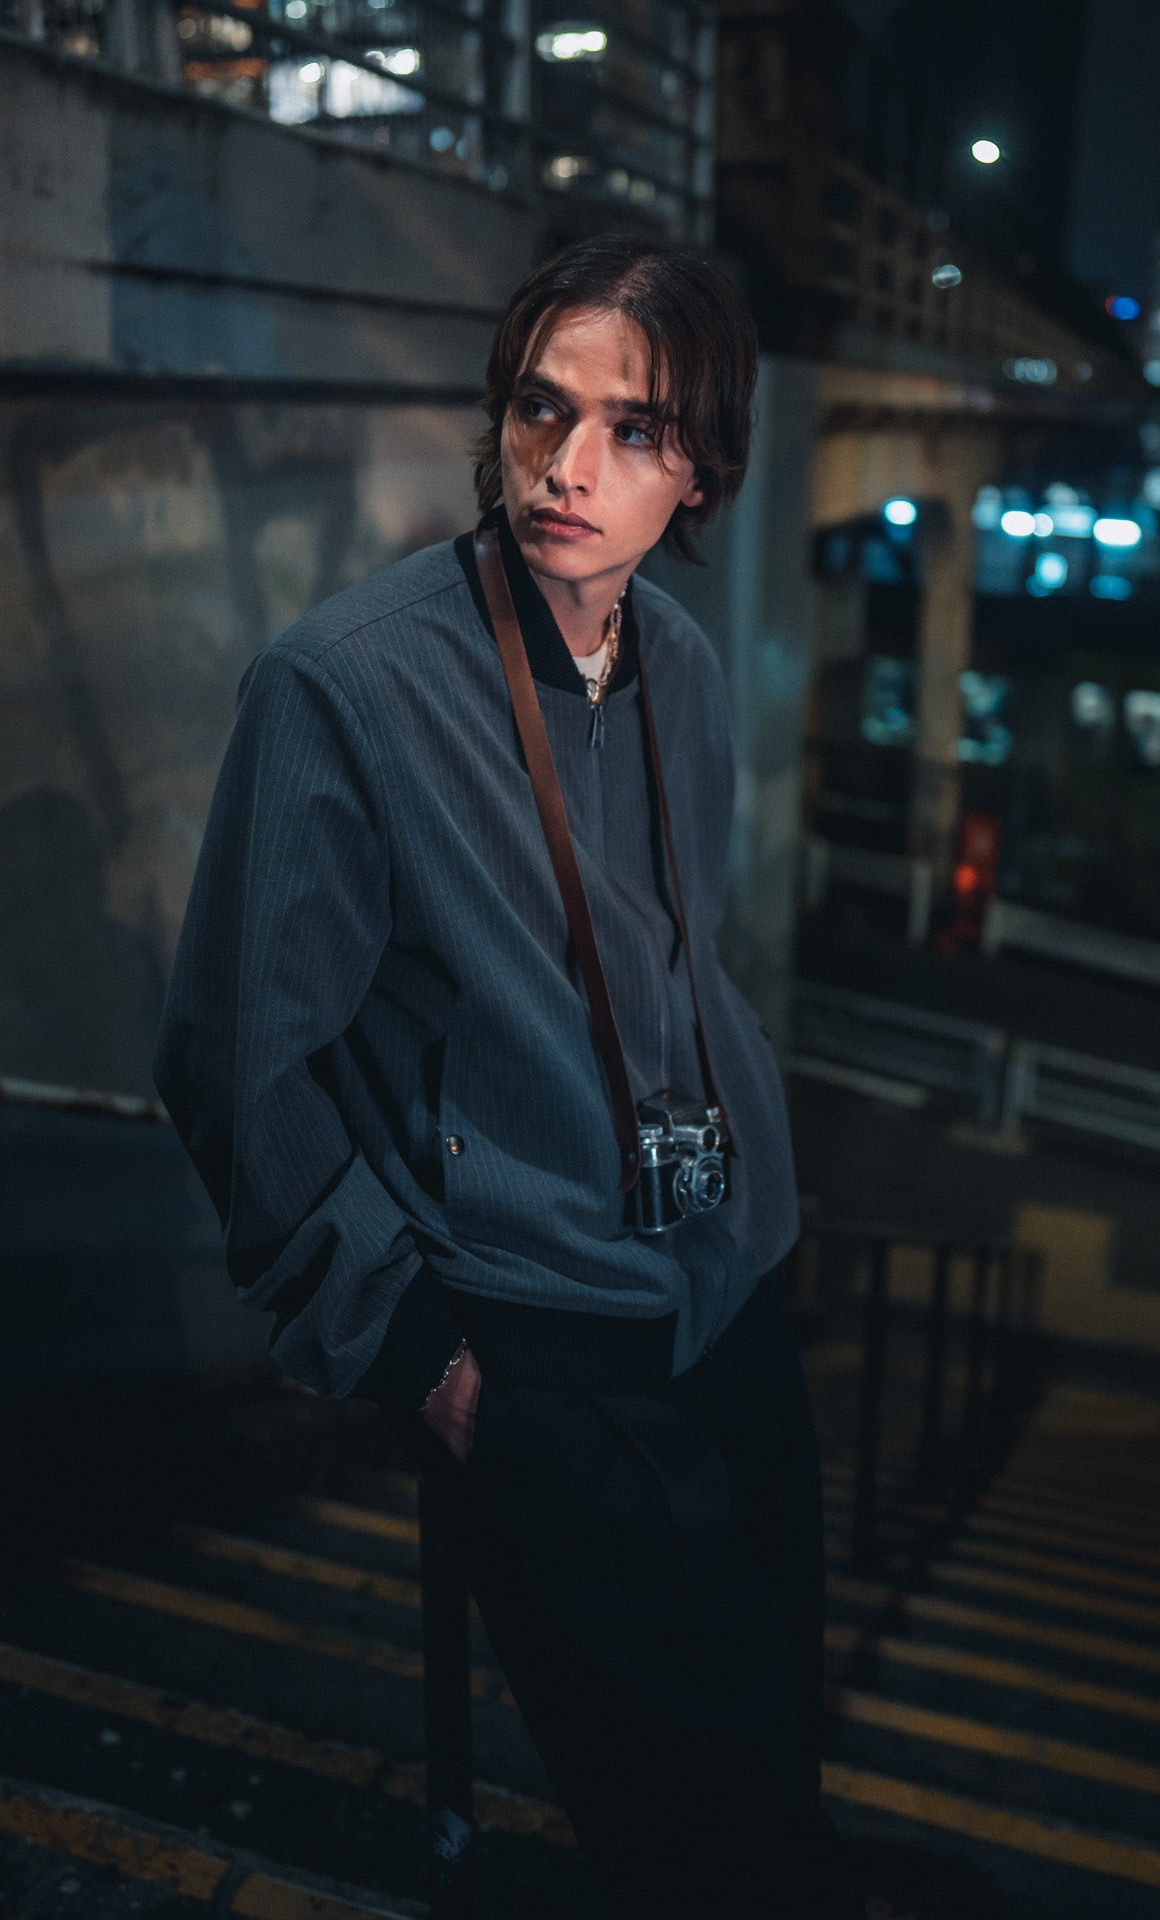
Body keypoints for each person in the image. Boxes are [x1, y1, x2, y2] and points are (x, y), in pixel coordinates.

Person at [154, 235, 863, 1920]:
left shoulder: (681, 663)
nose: (568, 465)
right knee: (686, 1831)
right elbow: (236, 1063)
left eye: (635, 429)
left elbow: (677, 961)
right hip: (543, 1342)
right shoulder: (345, 686)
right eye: (544, 410)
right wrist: (421, 1356)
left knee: (780, 1747)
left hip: (730, 1293)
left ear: (702, 474)